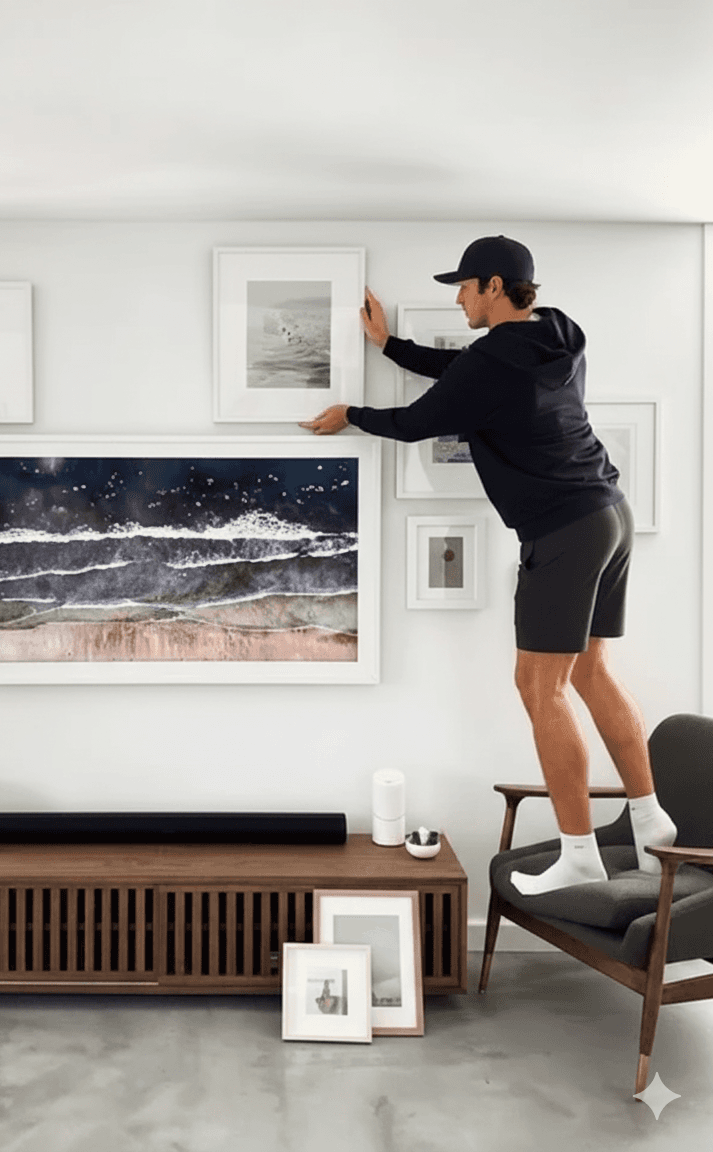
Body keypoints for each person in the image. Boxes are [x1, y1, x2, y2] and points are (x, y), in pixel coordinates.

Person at [300, 235, 677, 895]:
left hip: (563, 530)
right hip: (609, 515)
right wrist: (390, 346)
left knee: (539, 688)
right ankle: (650, 821)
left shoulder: (489, 364)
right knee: (591, 672)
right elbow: (464, 371)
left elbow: (416, 421)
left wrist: (350, 415)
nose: (459, 300)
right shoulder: (560, 332)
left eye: (465, 287)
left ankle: (580, 853)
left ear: (494, 287)